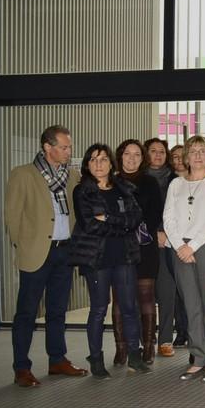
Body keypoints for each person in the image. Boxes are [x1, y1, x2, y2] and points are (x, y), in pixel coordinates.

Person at [7, 126, 87, 386]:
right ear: (47, 147)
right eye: (64, 147)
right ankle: (21, 367)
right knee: (26, 313)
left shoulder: (71, 175)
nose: (68, 151)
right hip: (37, 253)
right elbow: (13, 217)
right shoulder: (23, 174)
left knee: (57, 311)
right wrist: (25, 246)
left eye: (69, 147)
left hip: (65, 251)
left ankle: (57, 360)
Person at [69, 144, 149, 378]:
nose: (99, 164)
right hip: (97, 259)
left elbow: (135, 218)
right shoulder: (82, 191)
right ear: (87, 165)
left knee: (129, 307)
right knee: (99, 309)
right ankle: (96, 359)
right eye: (93, 160)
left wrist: (110, 219)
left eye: (103, 159)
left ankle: (134, 356)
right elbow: (90, 225)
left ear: (111, 163)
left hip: (124, 256)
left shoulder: (123, 187)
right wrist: (121, 226)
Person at [163, 135, 205, 382]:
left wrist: (192, 246)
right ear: (186, 157)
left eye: (203, 151)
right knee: (191, 306)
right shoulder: (176, 185)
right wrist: (180, 245)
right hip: (180, 248)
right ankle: (198, 358)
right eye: (193, 151)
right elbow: (168, 218)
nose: (198, 156)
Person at [114, 139, 163, 366]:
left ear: (143, 158)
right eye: (127, 154)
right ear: (120, 156)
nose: (132, 158)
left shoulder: (150, 182)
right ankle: (121, 348)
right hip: (118, 247)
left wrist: (133, 230)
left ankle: (148, 346)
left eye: (137, 154)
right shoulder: (111, 182)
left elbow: (155, 214)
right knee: (119, 299)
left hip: (144, 246)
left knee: (146, 297)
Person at [144, 137, 186, 357]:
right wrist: (153, 234)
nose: (158, 155)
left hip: (169, 242)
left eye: (162, 151)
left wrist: (167, 234)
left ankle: (165, 339)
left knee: (167, 291)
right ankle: (145, 339)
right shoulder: (137, 179)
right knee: (142, 293)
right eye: (153, 151)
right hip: (143, 242)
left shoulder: (175, 180)